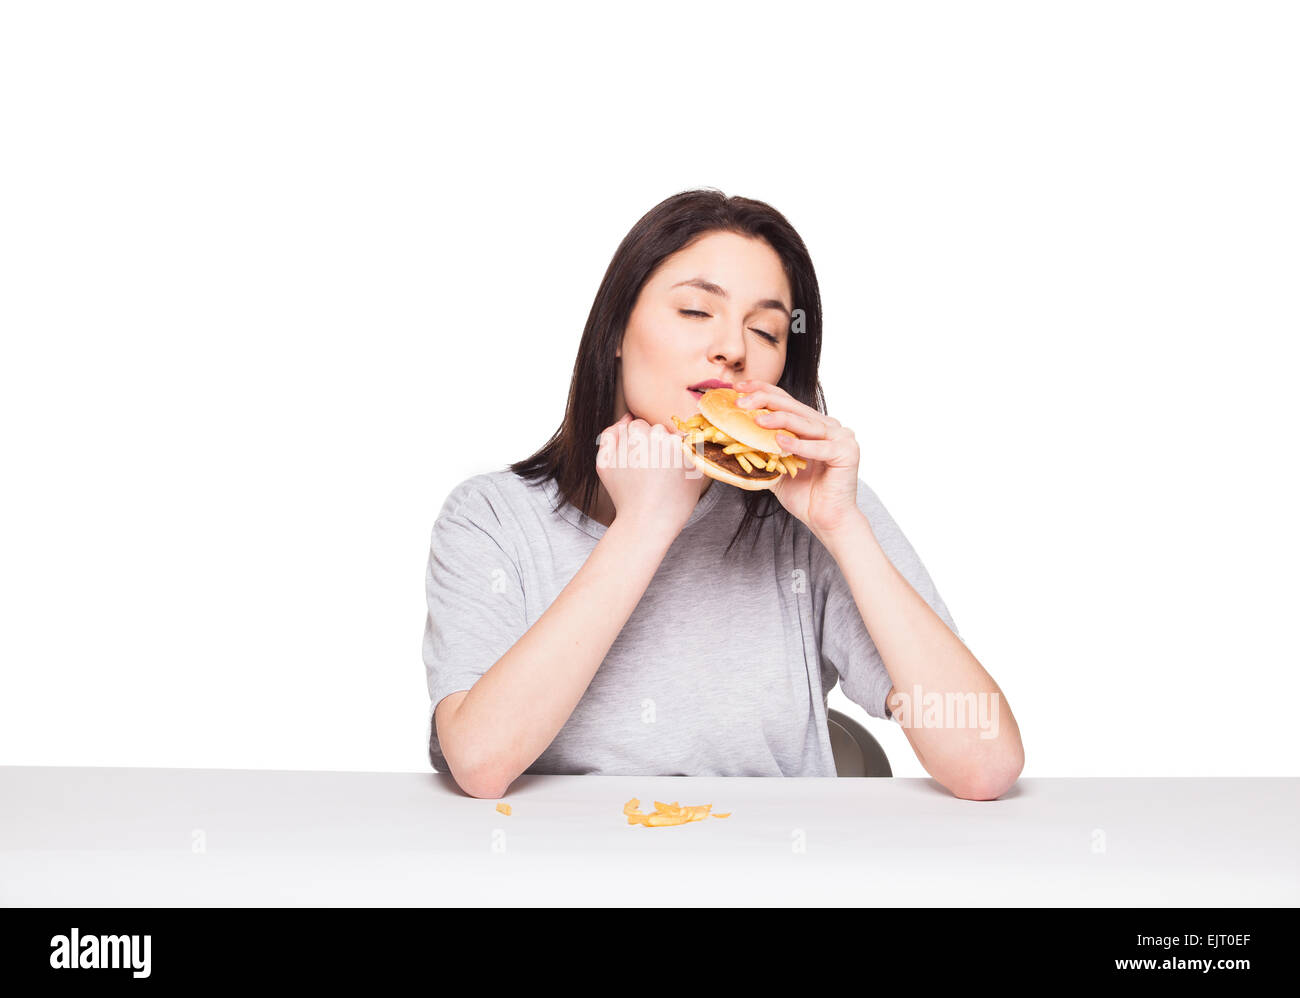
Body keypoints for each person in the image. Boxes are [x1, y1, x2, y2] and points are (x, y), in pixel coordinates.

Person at [422, 188, 1024, 800]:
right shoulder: (492, 517)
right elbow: (479, 762)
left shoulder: (813, 513)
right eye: (694, 312)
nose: (733, 349)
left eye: (765, 330)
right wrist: (646, 522)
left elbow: (984, 763)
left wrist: (842, 527)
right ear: (616, 333)